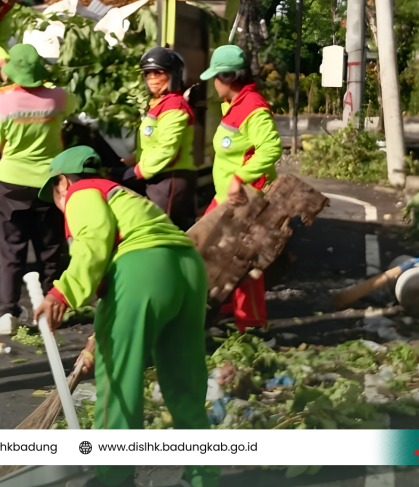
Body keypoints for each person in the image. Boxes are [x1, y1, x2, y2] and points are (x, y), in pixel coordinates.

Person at [32, 146, 218, 487]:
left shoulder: (81, 192)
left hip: (143, 268)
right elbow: (118, 290)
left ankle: (113, 476)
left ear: (62, 182)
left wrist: (61, 293)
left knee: (118, 381)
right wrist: (95, 343)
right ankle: (201, 477)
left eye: (55, 194)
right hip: (187, 270)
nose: (60, 203)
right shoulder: (122, 194)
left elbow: (94, 243)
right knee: (184, 382)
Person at [0, 44, 73, 335]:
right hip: (48, 183)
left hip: (11, 182)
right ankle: (52, 310)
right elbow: (75, 107)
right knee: (51, 249)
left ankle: (7, 313)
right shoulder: (58, 97)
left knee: (12, 252)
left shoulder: (3, 102)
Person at [199, 45, 282, 332]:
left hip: (246, 200)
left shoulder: (253, 108)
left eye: (215, 77)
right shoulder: (235, 104)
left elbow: (271, 147)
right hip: (225, 200)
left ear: (227, 78)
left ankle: (254, 327)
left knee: (244, 265)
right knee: (214, 255)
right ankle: (226, 310)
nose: (213, 83)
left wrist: (239, 177)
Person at [120, 46, 197, 230]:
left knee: (164, 234)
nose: (152, 79)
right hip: (158, 177)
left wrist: (137, 171)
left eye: (159, 73)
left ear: (173, 75)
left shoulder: (174, 106)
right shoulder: (159, 104)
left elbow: (167, 149)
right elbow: (152, 144)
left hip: (170, 180)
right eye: (148, 74)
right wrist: (131, 162)